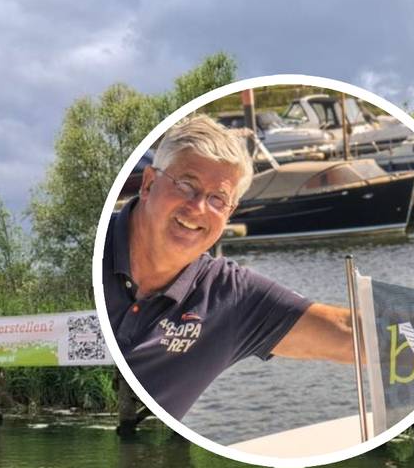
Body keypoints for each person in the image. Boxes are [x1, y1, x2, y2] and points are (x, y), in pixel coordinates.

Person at [102, 115, 354, 422]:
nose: (198, 207)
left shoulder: (230, 297)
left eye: (217, 199)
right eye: (186, 185)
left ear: (230, 213)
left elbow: (347, 332)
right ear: (149, 183)